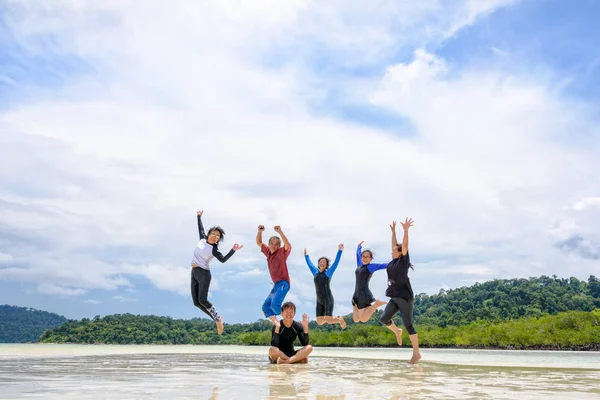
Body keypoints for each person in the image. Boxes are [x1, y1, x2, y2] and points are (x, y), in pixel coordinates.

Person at [190, 210, 242, 335]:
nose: (214, 236)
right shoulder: (202, 240)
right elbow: (200, 228)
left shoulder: (214, 249)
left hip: (203, 274)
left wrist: (233, 250)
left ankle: (218, 318)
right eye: (213, 234)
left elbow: (223, 260)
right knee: (196, 302)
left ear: (218, 240)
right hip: (194, 272)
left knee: (203, 300)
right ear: (209, 234)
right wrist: (198, 217)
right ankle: (216, 319)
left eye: (217, 236)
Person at [380, 218, 421, 364]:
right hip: (394, 297)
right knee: (384, 318)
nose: (392, 252)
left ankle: (416, 353)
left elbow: (404, 245)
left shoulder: (402, 261)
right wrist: (392, 232)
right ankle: (397, 331)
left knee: (409, 325)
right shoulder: (392, 262)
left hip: (404, 297)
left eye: (394, 251)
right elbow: (395, 244)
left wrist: (405, 231)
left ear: (400, 253)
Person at [257, 225, 292, 328]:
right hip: (276, 285)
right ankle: (278, 325)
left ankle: (289, 320)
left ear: (279, 246)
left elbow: (287, 244)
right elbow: (259, 242)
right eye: (272, 243)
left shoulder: (282, 252)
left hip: (284, 283)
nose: (274, 246)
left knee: (274, 306)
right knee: (265, 307)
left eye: (276, 244)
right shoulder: (268, 253)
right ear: (269, 244)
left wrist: (280, 232)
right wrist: (259, 231)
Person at [304, 244, 347, 328]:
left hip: (328, 299)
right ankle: (334, 318)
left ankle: (339, 319)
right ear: (318, 264)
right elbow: (310, 264)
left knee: (328, 319)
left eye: (324, 262)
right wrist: (306, 256)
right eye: (320, 262)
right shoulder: (315, 273)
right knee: (320, 322)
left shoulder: (328, 273)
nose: (322, 263)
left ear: (327, 265)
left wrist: (340, 251)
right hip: (319, 300)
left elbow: (336, 262)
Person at [352, 241, 388, 323]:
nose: (365, 258)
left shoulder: (371, 267)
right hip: (356, 294)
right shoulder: (359, 265)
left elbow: (384, 265)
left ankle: (376, 304)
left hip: (363, 294)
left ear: (371, 259)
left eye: (367, 257)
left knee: (363, 319)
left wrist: (398, 262)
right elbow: (358, 254)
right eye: (363, 256)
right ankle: (363, 305)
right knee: (356, 319)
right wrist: (359, 246)